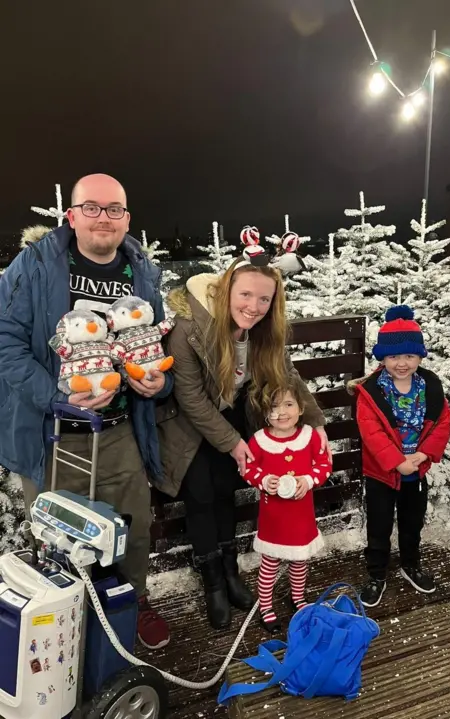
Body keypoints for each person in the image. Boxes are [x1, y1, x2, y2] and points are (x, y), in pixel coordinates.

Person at [0, 174, 173, 649]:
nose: (104, 218)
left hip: (119, 430)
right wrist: (56, 392)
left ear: (127, 219)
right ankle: (66, 626)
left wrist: (157, 379)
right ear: (71, 216)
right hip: (50, 432)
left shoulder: (143, 273)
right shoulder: (33, 267)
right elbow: (6, 343)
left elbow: (150, 343)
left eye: (114, 209)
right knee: (59, 538)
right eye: (91, 208)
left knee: (132, 526)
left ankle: (130, 603)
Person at [156, 240, 331, 629]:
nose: (254, 306)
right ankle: (213, 583)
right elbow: (190, 397)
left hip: (235, 416)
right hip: (189, 425)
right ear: (226, 291)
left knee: (226, 492)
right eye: (246, 295)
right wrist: (233, 443)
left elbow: (287, 376)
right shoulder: (189, 330)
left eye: (264, 299)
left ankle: (232, 573)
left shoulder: (264, 334)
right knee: (201, 495)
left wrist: (316, 424)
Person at [350, 306, 450, 608]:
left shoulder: (430, 387)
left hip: (417, 469)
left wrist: (423, 454)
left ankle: (411, 564)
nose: (402, 363)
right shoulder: (372, 392)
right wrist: (397, 461)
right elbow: (372, 433)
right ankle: (376, 574)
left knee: (412, 522)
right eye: (394, 357)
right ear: (383, 358)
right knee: (379, 525)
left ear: (419, 356)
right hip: (382, 472)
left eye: (409, 356)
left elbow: (442, 421)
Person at [242, 380, 332, 632]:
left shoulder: (310, 437)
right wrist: (263, 480)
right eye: (273, 407)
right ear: (264, 412)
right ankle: (266, 605)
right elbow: (248, 468)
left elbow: (323, 465)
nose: (281, 413)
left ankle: (298, 597)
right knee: (269, 564)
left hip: (301, 518)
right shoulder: (259, 441)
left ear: (301, 408)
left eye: (288, 404)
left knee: (299, 561)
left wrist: (308, 479)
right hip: (274, 519)